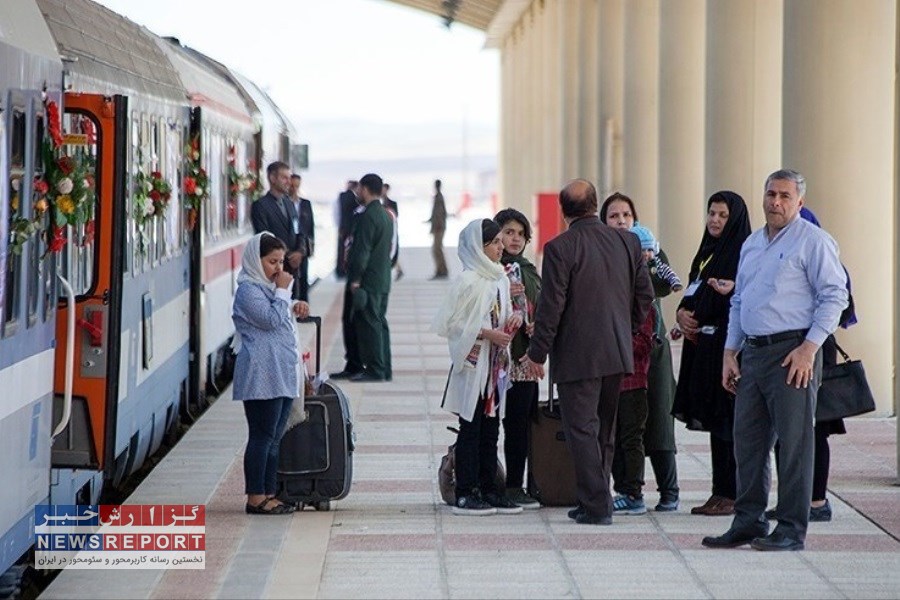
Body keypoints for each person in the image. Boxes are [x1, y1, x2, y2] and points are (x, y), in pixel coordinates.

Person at [703, 169, 848, 552]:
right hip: (752, 353)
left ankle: (790, 528)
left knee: (795, 443)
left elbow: (835, 296)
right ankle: (748, 520)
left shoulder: (813, 241)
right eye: (771, 194)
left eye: (785, 196)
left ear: (799, 202)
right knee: (747, 441)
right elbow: (739, 301)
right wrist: (730, 353)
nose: (776, 202)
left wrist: (809, 348)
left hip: (792, 354)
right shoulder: (752, 244)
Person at [521, 180, 654, 525]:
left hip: (578, 355)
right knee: (603, 432)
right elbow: (645, 297)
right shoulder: (627, 241)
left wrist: (537, 354)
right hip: (616, 351)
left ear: (563, 213)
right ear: (596, 205)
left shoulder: (560, 248)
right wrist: (628, 329)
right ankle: (593, 498)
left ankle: (596, 505)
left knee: (581, 429)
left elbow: (552, 307)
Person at [766, 206, 858, 523]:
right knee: (787, 430)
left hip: (814, 349)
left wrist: (810, 338)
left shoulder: (824, 259)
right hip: (786, 349)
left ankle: (817, 501)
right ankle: (793, 499)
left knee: (815, 428)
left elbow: (840, 308)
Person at [432, 219, 524, 516]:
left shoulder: (499, 278)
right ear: (478, 247)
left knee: (491, 428)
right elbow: (452, 323)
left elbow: (505, 313)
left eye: (500, 242)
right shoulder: (468, 280)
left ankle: (490, 488)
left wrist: (513, 320)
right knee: (470, 429)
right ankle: (465, 490)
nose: (501, 247)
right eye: (495, 242)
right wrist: (486, 333)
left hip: (494, 367)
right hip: (474, 367)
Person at [671, 191, 752, 517]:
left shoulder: (744, 252)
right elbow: (692, 288)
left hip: (728, 350)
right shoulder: (707, 251)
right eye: (712, 214)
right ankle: (720, 491)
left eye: (722, 215)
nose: (715, 221)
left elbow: (742, 298)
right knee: (716, 421)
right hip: (703, 348)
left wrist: (716, 302)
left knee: (729, 422)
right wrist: (681, 314)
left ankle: (733, 493)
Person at [600, 193, 680, 512]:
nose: (621, 221)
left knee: (659, 418)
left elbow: (664, 286)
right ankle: (628, 490)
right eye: (614, 216)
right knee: (622, 424)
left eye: (626, 216)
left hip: (652, 351)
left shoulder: (651, 250)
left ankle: (669, 490)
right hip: (616, 352)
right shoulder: (601, 255)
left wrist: (642, 263)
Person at [231, 232, 310, 515]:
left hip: (281, 373)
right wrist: (284, 293)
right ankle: (255, 497)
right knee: (262, 436)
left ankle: (268, 493)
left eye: (280, 261)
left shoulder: (266, 289)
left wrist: (294, 305)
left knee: (275, 437)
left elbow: (281, 314)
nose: (278, 268)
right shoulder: (247, 291)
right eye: (271, 262)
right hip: (261, 376)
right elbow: (270, 319)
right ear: (256, 260)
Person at [494, 208, 541, 509]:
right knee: (488, 423)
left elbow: (544, 302)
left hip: (524, 359)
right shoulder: (490, 269)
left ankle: (515, 484)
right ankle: (489, 483)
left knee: (520, 424)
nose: (515, 239)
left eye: (520, 234)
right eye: (509, 232)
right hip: (496, 358)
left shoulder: (529, 269)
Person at [345, 173, 393, 382]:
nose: (357, 192)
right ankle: (384, 368)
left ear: (365, 189)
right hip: (382, 277)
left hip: (369, 280)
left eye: (359, 189)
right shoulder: (385, 215)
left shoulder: (368, 216)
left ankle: (375, 369)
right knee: (380, 322)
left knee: (370, 324)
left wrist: (355, 279)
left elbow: (361, 251)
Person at [251, 162, 307, 300]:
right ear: (272, 178)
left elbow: (299, 230)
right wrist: (288, 256)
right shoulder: (260, 206)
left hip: (293, 272)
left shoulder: (289, 204)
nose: (289, 182)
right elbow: (264, 237)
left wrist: (300, 252)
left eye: (289, 177)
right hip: (274, 273)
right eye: (284, 178)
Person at [629, 224, 683, 292]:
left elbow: (668, 272)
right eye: (642, 250)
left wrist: (675, 283)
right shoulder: (630, 264)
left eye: (650, 250)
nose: (646, 253)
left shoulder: (657, 263)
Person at [289, 174, 315, 301]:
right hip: (289, 244)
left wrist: (310, 246)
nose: (294, 189)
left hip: (303, 245)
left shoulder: (305, 204)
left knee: (304, 275)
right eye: (292, 186)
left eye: (296, 186)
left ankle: (304, 306)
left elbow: (310, 226)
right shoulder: (285, 204)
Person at [335, 180, 358, 278]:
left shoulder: (341, 196)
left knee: (341, 249)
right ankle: (345, 269)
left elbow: (337, 213)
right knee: (347, 249)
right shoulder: (353, 198)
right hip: (349, 227)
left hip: (342, 226)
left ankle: (340, 270)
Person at [427, 179, 448, 279]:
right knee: (437, 249)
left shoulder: (439, 197)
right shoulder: (438, 196)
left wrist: (437, 225)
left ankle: (442, 271)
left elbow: (440, 213)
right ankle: (441, 270)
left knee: (437, 249)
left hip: (438, 227)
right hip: (438, 226)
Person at [382, 183, 403, 281]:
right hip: (383, 231)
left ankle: (398, 269)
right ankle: (398, 269)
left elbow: (395, 215)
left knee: (392, 251)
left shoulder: (392, 203)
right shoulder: (378, 203)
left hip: (391, 230)